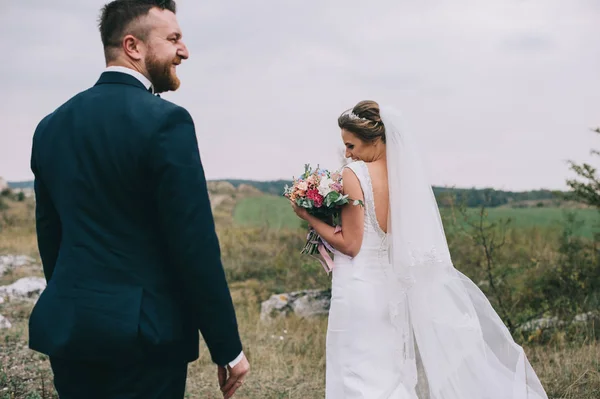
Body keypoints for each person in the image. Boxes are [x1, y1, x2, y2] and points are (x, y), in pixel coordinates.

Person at [28, 1, 249, 398]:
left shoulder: (50, 126)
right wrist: (226, 346)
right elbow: (193, 245)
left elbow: (51, 237)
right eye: (173, 39)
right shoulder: (166, 121)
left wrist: (74, 302)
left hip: (70, 329)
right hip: (143, 339)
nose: (184, 51)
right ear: (133, 46)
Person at [291, 100, 549, 398]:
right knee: (386, 374)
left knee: (355, 372)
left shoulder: (355, 174)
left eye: (351, 146)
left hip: (358, 288)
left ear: (374, 139)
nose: (348, 154)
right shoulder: (403, 176)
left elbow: (351, 245)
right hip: (389, 290)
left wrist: (308, 215)